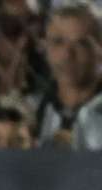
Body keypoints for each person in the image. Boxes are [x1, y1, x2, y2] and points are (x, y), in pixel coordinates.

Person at [33, 0, 102, 148]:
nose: (67, 55)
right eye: (58, 42)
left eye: (81, 43)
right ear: (45, 48)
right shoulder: (32, 111)